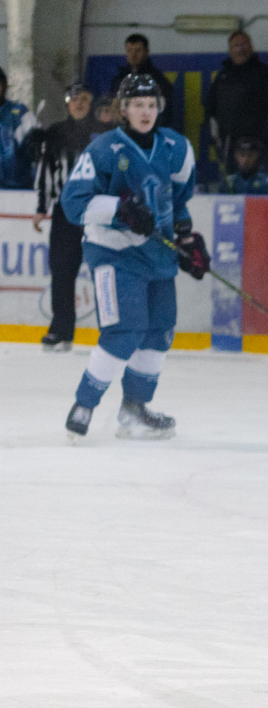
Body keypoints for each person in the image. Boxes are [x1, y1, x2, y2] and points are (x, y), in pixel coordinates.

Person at [59, 73, 209, 441]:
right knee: (124, 331)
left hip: (157, 254)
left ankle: (134, 409)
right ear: (123, 110)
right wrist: (120, 210)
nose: (146, 111)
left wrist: (187, 239)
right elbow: (72, 203)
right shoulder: (103, 150)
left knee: (159, 331)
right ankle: (85, 404)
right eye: (137, 105)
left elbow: (177, 200)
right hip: (113, 252)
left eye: (151, 105)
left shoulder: (176, 147)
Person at [34, 83, 111, 351]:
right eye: (73, 98)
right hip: (65, 213)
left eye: (84, 98)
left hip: (98, 211)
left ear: (90, 102)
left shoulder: (104, 133)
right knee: (62, 271)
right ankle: (61, 329)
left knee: (106, 271)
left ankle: (114, 331)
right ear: (67, 103)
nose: (78, 103)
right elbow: (46, 169)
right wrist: (42, 207)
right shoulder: (55, 133)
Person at [202, 30, 268, 173]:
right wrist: (215, 138)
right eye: (236, 46)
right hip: (230, 147)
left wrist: (263, 140)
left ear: (252, 47)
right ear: (229, 50)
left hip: (258, 147)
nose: (241, 49)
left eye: (244, 45)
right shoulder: (222, 77)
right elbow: (210, 109)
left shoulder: (265, 74)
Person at [110, 33, 182, 134]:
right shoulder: (119, 80)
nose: (133, 54)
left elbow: (165, 113)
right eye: (129, 50)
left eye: (138, 50)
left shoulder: (157, 80)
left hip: (148, 134)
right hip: (124, 134)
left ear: (146, 52)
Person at [0, 67, 41, 189]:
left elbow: (36, 147)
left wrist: (35, 137)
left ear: (4, 86)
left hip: (18, 189)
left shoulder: (18, 112)